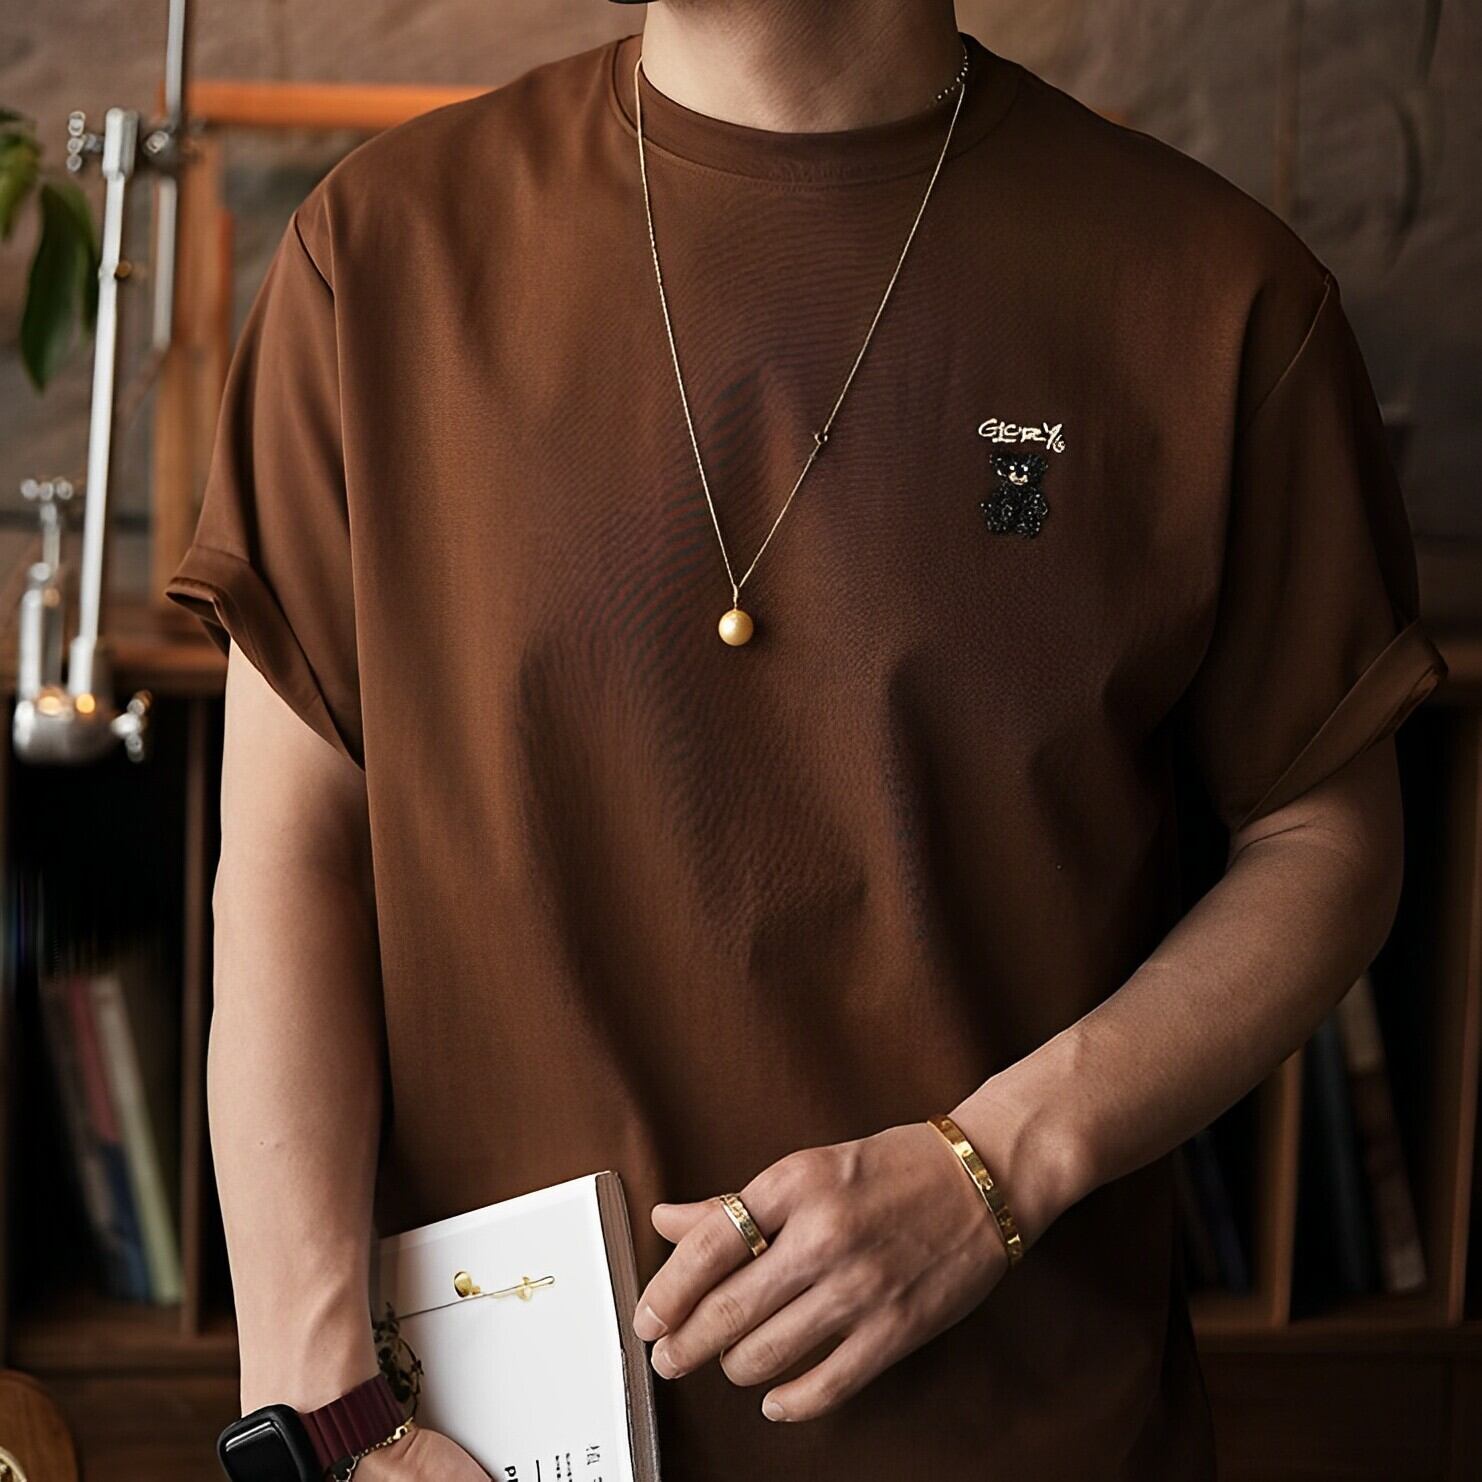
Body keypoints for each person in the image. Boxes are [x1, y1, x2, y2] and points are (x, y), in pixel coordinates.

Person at [165, 2, 1448, 1478]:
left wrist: (999, 1162)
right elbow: (287, 861)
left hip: (1018, 1429)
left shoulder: (1214, 295)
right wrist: (323, 1421)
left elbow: (1328, 840)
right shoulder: (375, 256)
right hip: (468, 1447)